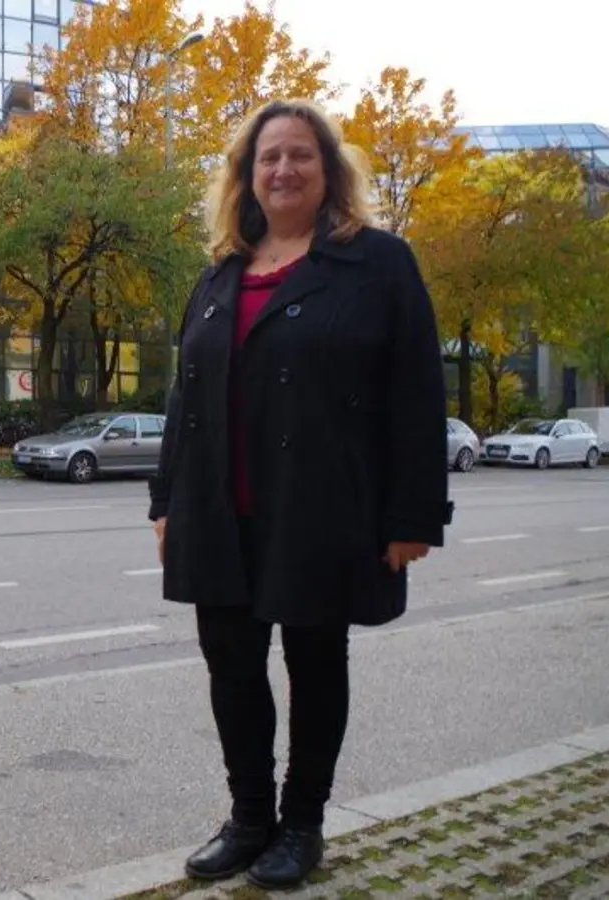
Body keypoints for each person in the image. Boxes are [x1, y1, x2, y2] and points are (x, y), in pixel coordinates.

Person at [149, 98, 453, 889]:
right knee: (232, 668)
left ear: (328, 171)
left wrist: (413, 515)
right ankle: (249, 819)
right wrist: (165, 499)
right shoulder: (219, 274)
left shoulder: (379, 263)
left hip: (324, 508)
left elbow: (417, 394)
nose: (282, 169)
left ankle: (302, 825)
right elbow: (185, 397)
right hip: (222, 511)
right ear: (246, 177)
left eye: (300, 155)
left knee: (316, 661)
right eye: (267, 158)